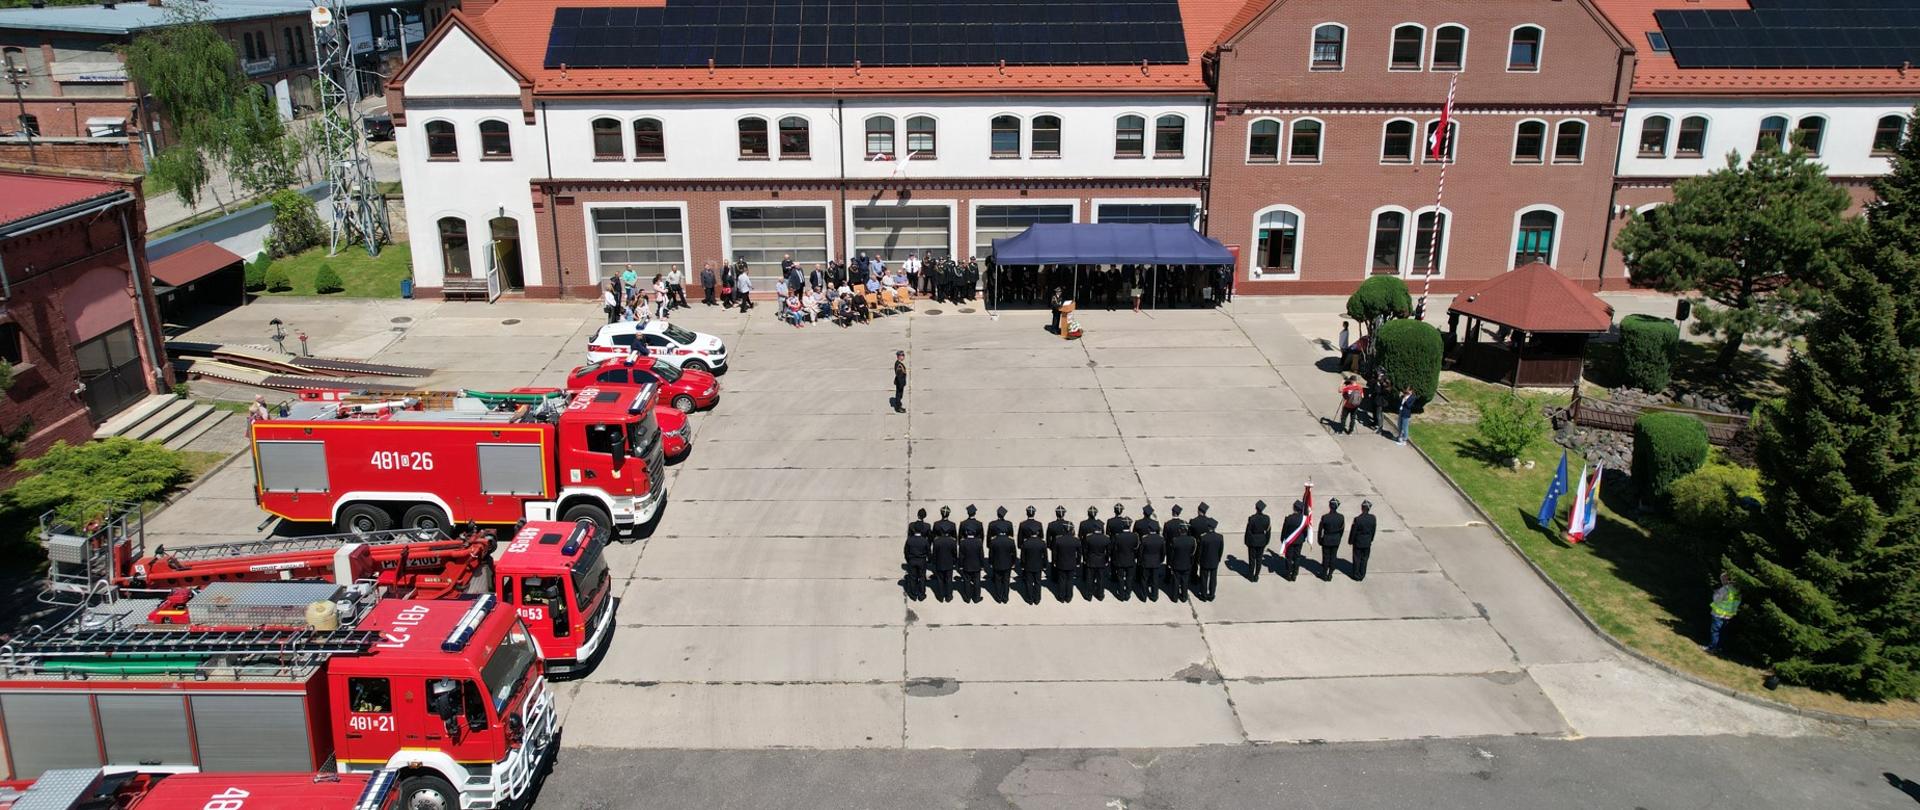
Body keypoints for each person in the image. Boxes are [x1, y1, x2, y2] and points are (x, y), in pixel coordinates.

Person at [1707, 572, 1741, 653]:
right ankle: (1719, 648)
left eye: (1722, 579)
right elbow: (1736, 604)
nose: (1721, 581)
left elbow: (1716, 599)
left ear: (1726, 579)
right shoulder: (1737, 592)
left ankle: (1712, 648)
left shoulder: (1725, 589)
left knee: (1715, 631)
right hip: (1728, 615)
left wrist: (1715, 593)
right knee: (1722, 633)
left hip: (1718, 614)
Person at [1018, 520, 1049, 604]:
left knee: (1029, 582)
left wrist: (1022, 565)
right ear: (1037, 532)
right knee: (1038, 583)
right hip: (1038, 566)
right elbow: (1045, 556)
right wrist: (1045, 565)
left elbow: (1022, 556)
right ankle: (1037, 599)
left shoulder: (1025, 543)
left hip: (1028, 566)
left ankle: (1030, 599)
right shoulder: (1042, 543)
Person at [1049, 520, 1081, 602]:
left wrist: (1055, 562)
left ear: (1064, 529)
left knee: (1061, 580)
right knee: (1070, 581)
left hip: (1061, 563)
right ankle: (1069, 597)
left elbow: (1054, 553)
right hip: (1071, 564)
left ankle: (1061, 597)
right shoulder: (1076, 540)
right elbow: (1079, 553)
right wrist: (1078, 562)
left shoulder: (1058, 539)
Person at [903, 511, 932, 601]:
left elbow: (906, 551)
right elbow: (928, 551)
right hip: (922, 560)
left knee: (912, 577)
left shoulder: (909, 539)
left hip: (912, 560)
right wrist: (928, 559)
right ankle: (921, 594)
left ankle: (913, 594)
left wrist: (908, 560)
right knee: (922, 577)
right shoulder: (925, 540)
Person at [958, 512, 985, 604]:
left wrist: (960, 565)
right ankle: (976, 598)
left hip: (966, 565)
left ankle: (967, 598)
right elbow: (981, 555)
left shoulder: (963, 542)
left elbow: (961, 555)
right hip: (976, 564)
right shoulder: (979, 542)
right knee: (977, 582)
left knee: (966, 581)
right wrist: (982, 565)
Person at [1109, 518, 1138, 601]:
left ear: (1122, 525)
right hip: (1130, 560)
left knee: (1120, 578)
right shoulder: (1134, 536)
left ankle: (1121, 594)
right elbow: (1136, 548)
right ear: (1130, 526)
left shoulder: (1117, 536)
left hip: (1120, 560)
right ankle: (1127, 593)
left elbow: (1114, 548)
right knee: (1129, 578)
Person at [1317, 498, 1346, 581]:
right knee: (1333, 557)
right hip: (1336, 539)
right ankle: (1330, 574)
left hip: (1326, 539)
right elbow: (1342, 530)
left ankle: (1324, 573)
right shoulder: (1341, 517)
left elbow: (1320, 530)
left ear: (1330, 506)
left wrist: (1319, 540)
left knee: (1326, 557)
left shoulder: (1325, 517)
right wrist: (1339, 538)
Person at [1349, 500, 1377, 581]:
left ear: (1362, 508)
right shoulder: (1373, 518)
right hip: (1367, 542)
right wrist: (1371, 539)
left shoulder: (1358, 519)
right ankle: (1362, 574)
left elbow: (1353, 531)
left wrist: (1351, 541)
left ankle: (1356, 575)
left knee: (1357, 558)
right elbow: (1373, 530)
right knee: (1364, 559)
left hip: (1358, 542)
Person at [1279, 500, 1307, 581]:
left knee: (1288, 557)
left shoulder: (1289, 518)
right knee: (1297, 557)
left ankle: (1288, 574)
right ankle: (1295, 574)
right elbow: (1305, 531)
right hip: (1299, 541)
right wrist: (1303, 538)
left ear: (1294, 508)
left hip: (1290, 541)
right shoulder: (1304, 519)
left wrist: (1282, 539)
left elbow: (1284, 530)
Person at [1137, 522, 1166, 601]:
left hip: (1145, 562)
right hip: (1156, 562)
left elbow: (1140, 552)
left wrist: (1139, 561)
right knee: (1155, 580)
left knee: (1144, 580)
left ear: (1149, 529)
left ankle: (1144, 596)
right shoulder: (1161, 539)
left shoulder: (1144, 538)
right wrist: (1161, 560)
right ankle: (1154, 596)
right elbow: (1163, 552)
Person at [1243, 500, 1272, 582]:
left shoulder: (1252, 518)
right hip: (1262, 541)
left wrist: (1246, 541)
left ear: (1256, 508)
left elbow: (1248, 531)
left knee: (1252, 559)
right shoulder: (1267, 518)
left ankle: (1250, 575)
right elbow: (1268, 532)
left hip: (1252, 541)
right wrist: (1266, 541)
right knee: (1259, 559)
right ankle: (1256, 576)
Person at [930, 525, 959, 603]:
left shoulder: (936, 541)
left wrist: (934, 562)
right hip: (949, 564)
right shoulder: (952, 541)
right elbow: (954, 553)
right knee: (949, 580)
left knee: (940, 580)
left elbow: (934, 554)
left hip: (939, 563)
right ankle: (949, 597)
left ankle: (940, 597)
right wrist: (954, 562)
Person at [1166, 526, 1196, 602]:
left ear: (1179, 531)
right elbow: (1193, 552)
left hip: (1176, 564)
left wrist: (1170, 563)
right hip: (1187, 564)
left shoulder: (1175, 540)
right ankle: (1184, 597)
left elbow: (1172, 554)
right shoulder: (1192, 540)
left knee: (1176, 581)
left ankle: (1175, 597)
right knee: (1185, 581)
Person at [1082, 524, 1110, 600]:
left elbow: (1085, 550)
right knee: (1101, 579)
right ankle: (1100, 595)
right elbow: (1108, 551)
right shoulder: (1106, 538)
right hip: (1101, 562)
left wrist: (1085, 559)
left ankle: (1089, 595)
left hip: (1090, 561)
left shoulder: (1088, 537)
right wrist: (1106, 560)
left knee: (1089, 579)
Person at [1196, 527, 1225, 601]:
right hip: (1214, 561)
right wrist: (1218, 559)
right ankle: (1211, 595)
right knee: (1213, 579)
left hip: (1204, 561)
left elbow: (1200, 551)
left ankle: (1204, 595)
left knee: (1203, 579)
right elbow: (1221, 550)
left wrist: (1198, 560)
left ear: (1208, 527)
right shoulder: (1220, 537)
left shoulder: (1203, 537)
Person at [987, 528, 1016, 602]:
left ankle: (998, 598)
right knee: (1006, 581)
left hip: (997, 564)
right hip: (1007, 564)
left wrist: (990, 563)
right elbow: (1013, 554)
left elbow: (991, 554)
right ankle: (1005, 598)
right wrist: (1013, 563)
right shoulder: (1011, 541)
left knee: (998, 581)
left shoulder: (993, 541)